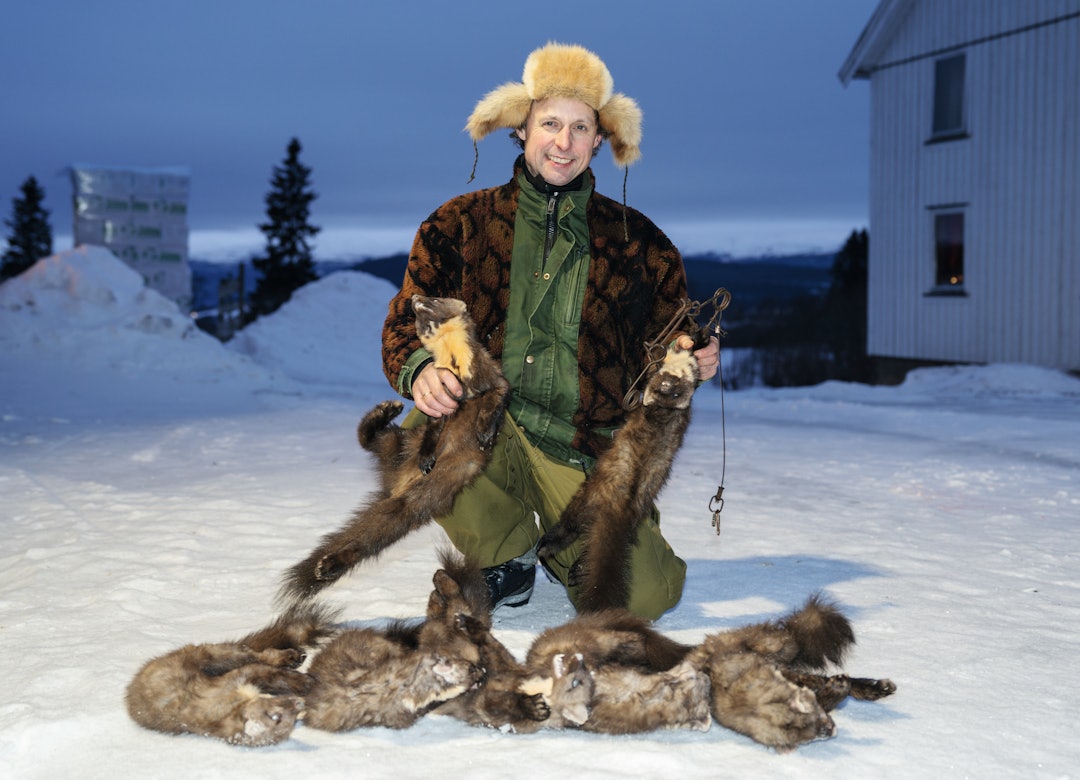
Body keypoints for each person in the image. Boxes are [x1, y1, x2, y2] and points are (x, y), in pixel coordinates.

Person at [381, 42, 720, 620]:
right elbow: (409, 318)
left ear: (599, 140)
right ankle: (505, 552)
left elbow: (672, 337)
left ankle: (568, 548)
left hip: (586, 451)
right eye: (551, 124)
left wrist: (693, 356)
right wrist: (422, 370)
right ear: (522, 130)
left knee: (646, 595)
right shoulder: (458, 225)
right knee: (418, 439)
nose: (563, 142)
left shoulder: (641, 244)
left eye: (580, 127)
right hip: (488, 427)